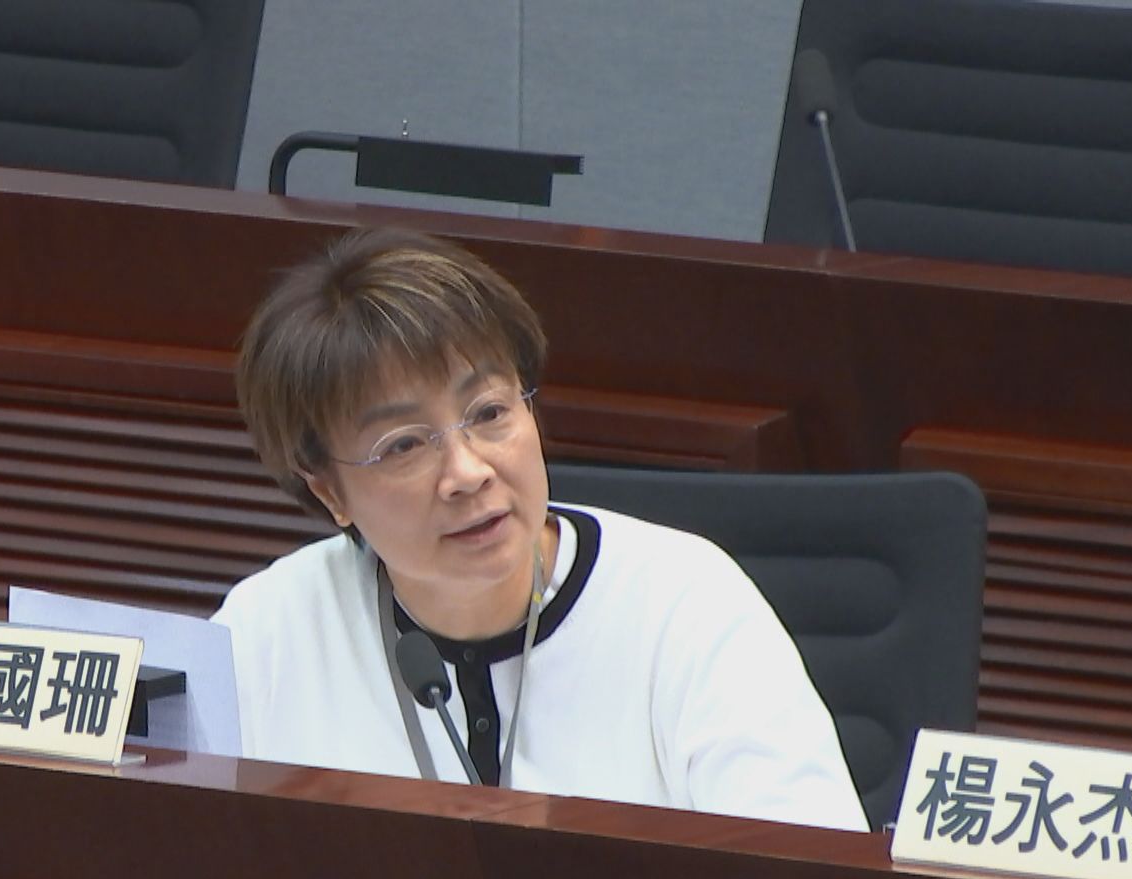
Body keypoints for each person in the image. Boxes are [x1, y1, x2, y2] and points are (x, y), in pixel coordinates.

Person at [212, 227, 866, 832]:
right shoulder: (267, 630)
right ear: (329, 490)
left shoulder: (684, 604)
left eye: (489, 412)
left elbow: (811, 875)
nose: (467, 472)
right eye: (404, 445)